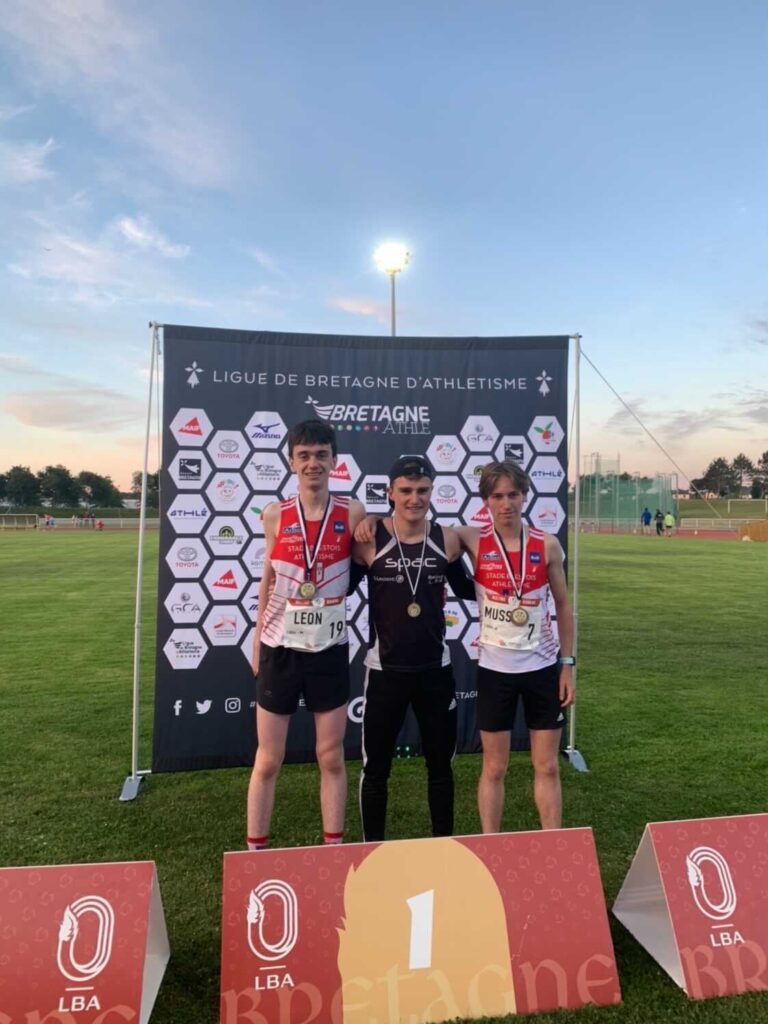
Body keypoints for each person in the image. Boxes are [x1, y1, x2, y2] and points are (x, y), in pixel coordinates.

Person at [247, 419, 365, 850]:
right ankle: (255, 852)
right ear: (291, 461)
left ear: (334, 460)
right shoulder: (275, 514)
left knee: (330, 756)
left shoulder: (352, 513)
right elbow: (267, 579)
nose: (312, 463)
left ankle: (333, 849)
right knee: (268, 759)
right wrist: (257, 637)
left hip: (329, 649)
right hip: (280, 647)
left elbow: (370, 561)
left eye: (321, 454)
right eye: (304, 455)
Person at [454, 460, 575, 832]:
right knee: (494, 767)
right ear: (486, 501)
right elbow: (417, 530)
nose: (506, 503)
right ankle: (492, 845)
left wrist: (567, 664)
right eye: (497, 496)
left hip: (541, 670)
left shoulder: (547, 544)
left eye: (513, 495)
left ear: (525, 496)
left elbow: (563, 605)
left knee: (548, 765)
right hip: (495, 673)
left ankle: (552, 843)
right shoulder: (471, 540)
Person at [353, 454, 465, 841]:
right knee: (376, 768)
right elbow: (336, 585)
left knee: (440, 767)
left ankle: (443, 846)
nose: (414, 498)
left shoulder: (447, 540)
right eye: (405, 490)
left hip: (436, 671)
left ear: (432, 491)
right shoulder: (370, 540)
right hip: (385, 672)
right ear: (390, 493)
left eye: (422, 490)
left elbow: (471, 589)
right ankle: (372, 850)